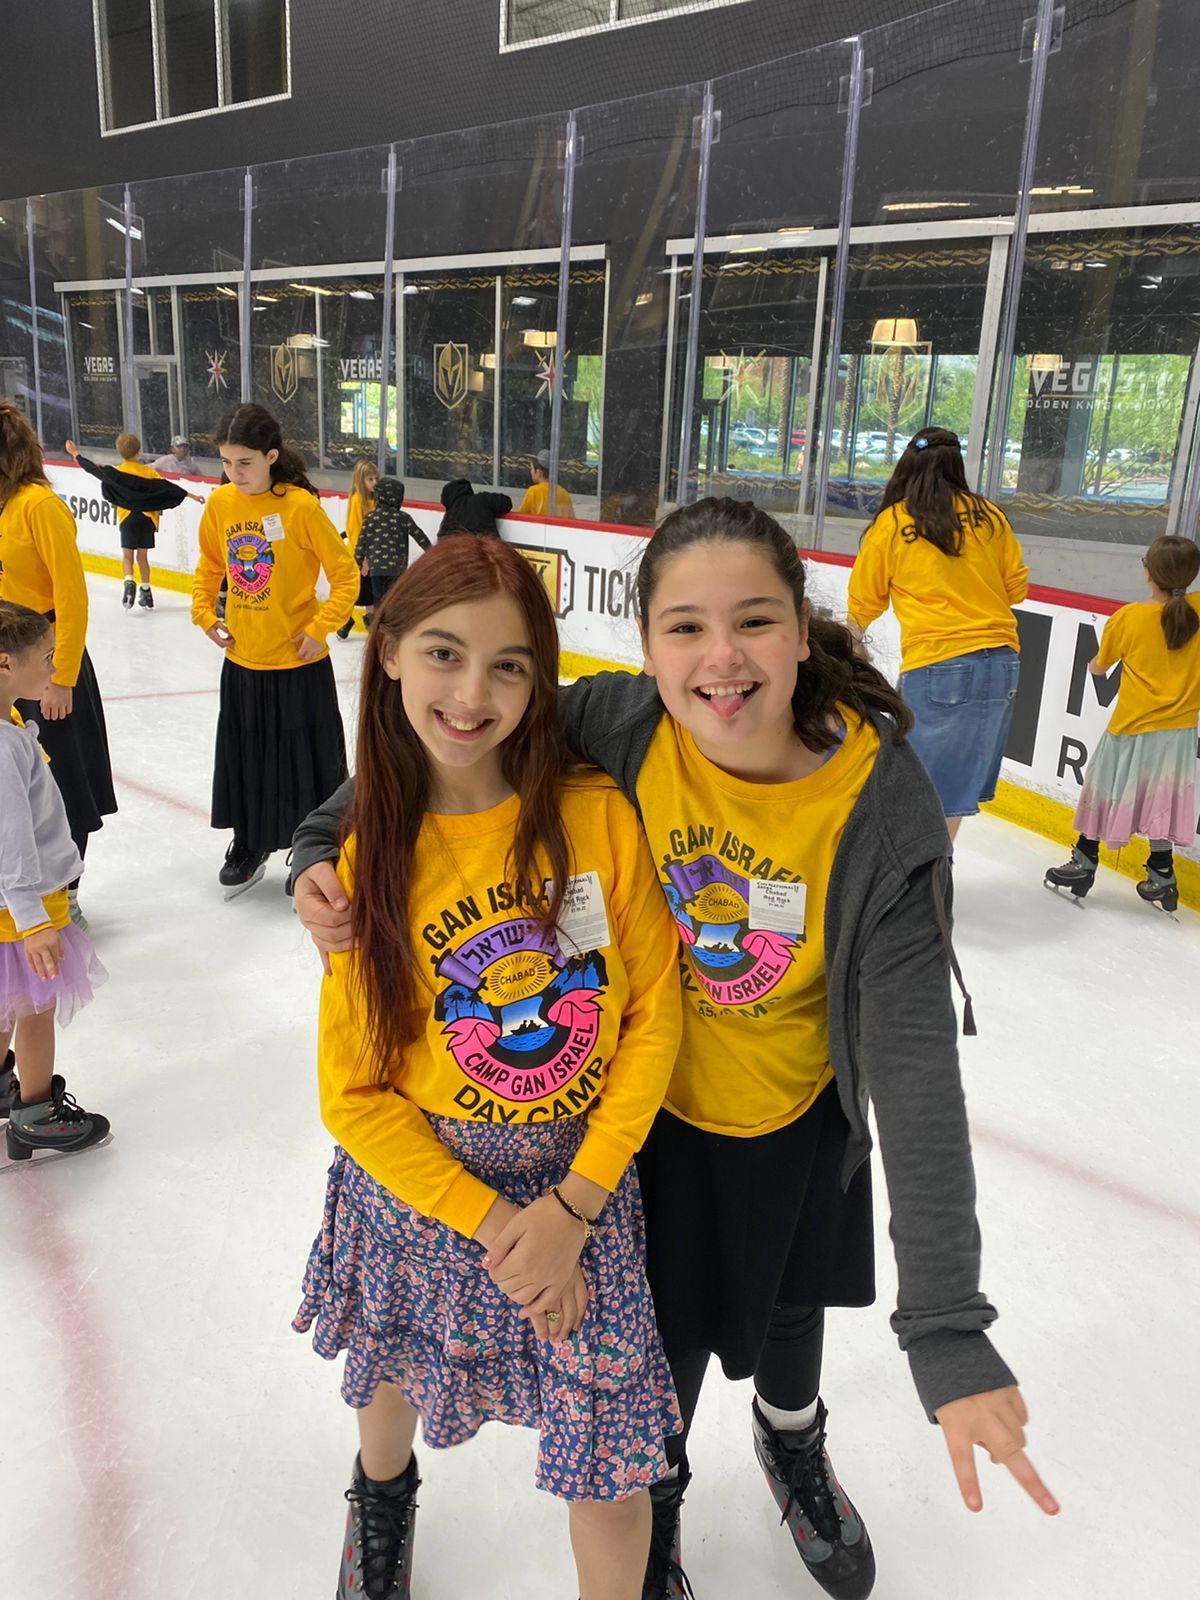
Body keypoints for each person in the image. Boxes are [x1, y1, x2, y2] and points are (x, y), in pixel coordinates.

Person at [290, 498, 1058, 1600]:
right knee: (667, 1348)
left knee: (793, 1303)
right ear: (645, 647)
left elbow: (921, 1077)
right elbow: (449, 735)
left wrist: (947, 1330)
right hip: (638, 1136)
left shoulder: (875, 805)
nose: (722, 658)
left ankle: (791, 1439)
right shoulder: (621, 725)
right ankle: (645, 1525)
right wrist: (326, 840)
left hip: (791, 1119)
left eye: (754, 620)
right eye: (685, 628)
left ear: (802, 625)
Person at [292, 534, 683, 1600]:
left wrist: (572, 1206)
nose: (473, 692)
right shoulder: (371, 853)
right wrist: (499, 1224)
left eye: (509, 663)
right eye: (444, 653)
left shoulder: (596, 815)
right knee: (394, 1363)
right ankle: (381, 1495)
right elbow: (356, 1094)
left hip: (583, 1186)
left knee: (610, 1441)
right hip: (425, 1186)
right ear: (390, 658)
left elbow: (652, 1017)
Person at [190, 403, 359, 899]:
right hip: (243, 661)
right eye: (225, 462)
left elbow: (346, 576)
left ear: (270, 456)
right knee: (248, 758)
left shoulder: (300, 508)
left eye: (244, 463)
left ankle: (309, 849)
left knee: (304, 763)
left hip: (299, 664)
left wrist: (321, 627)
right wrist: (205, 615)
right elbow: (208, 567)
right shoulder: (221, 504)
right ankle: (249, 841)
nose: (233, 473)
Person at [847, 428, 1028, 840]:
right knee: (952, 789)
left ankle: (918, 887)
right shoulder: (989, 516)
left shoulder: (893, 524)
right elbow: (1015, 588)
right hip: (1002, 664)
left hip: (939, 664)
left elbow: (861, 605)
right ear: (956, 465)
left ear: (907, 466)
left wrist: (855, 653)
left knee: (915, 785)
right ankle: (935, 876)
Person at [0, 402, 116, 931]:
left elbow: (72, 599)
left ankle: (65, 890)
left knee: (62, 779)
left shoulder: (38, 507)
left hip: (46, 662)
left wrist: (61, 676)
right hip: (5, 659)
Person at [0, 600, 109, 1160]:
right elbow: (11, 841)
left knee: (5, 1002)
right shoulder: (2, 747)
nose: (54, 666)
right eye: (44, 658)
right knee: (33, 1011)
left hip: (13, 907)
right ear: (3, 663)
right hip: (27, 904)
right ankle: (34, 1112)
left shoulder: (10, 720)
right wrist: (34, 920)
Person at [1045, 533, 1200, 914]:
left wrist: (1092, 666)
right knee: (1161, 799)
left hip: (1131, 727)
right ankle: (1162, 873)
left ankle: (1084, 861)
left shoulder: (1129, 618)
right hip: (1179, 731)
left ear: (1148, 573)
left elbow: (1100, 666)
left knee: (1104, 788)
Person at [64, 438, 205, 614]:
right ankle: (145, 590)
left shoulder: (115, 473)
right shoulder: (148, 473)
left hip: (127, 518)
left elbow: (92, 469)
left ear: (119, 452)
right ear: (138, 452)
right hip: (147, 519)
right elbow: (169, 488)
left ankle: (129, 581)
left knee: (127, 556)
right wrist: (192, 496)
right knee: (142, 557)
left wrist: (75, 453)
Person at [352, 476, 430, 609]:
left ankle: (379, 626)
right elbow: (420, 537)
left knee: (379, 601)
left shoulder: (370, 518)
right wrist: (433, 553)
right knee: (394, 601)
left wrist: (356, 566)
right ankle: (393, 626)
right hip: (397, 569)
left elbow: (361, 545)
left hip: (376, 570)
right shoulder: (403, 518)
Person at [336, 458, 379, 641]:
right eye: (370, 479)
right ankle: (346, 621)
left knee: (371, 592)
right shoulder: (356, 501)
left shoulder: (375, 500)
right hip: (359, 555)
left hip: (372, 555)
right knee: (355, 591)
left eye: (376, 478)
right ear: (360, 480)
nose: (374, 483)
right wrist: (362, 559)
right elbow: (355, 532)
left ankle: (371, 620)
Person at [438, 477, 511, 539]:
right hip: (487, 549)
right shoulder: (482, 499)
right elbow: (507, 503)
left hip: (460, 552)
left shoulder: (449, 518)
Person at [517, 448, 574, 518]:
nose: (530, 472)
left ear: (539, 472)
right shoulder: (564, 493)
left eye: (531, 469)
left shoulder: (533, 491)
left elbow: (520, 518)